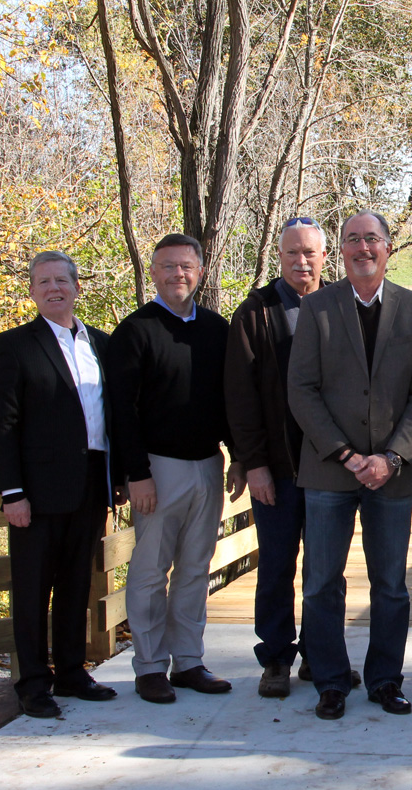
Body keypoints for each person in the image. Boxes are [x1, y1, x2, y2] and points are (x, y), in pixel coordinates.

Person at [286, 209, 412, 721]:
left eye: (371, 238)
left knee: (391, 584)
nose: (362, 247)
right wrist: (348, 455)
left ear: (388, 248)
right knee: (321, 582)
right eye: (352, 240)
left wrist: (393, 456)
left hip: (393, 472)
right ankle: (330, 681)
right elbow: (301, 389)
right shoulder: (318, 308)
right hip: (331, 470)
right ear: (341, 251)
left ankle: (385, 680)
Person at [226, 216, 361, 698]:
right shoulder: (257, 312)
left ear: (326, 256)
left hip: (332, 467)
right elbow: (240, 398)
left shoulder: (345, 304)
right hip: (279, 469)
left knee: (328, 572)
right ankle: (277, 659)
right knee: (278, 565)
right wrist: (253, 462)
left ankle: (323, 656)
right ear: (279, 257)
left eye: (310, 253)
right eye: (292, 253)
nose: (301, 261)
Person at [107, 234, 246, 704]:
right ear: (153, 272)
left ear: (201, 271)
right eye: (167, 267)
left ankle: (188, 660)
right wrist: (136, 471)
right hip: (158, 469)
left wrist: (239, 455)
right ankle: (149, 666)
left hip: (208, 463)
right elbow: (120, 410)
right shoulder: (135, 331)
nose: (177, 275)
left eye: (186, 266)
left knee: (194, 569)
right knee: (150, 570)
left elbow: (228, 401)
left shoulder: (216, 328)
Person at [0, 251, 119, 717]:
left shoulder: (102, 344)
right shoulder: (14, 345)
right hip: (36, 492)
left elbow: (113, 419)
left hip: (90, 484)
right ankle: (33, 683)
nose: (53, 289)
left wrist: (118, 479)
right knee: (32, 588)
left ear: (77, 287)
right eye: (43, 282)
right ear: (32, 291)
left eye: (61, 280)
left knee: (75, 583)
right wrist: (12, 492)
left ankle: (70, 671)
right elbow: (2, 425)